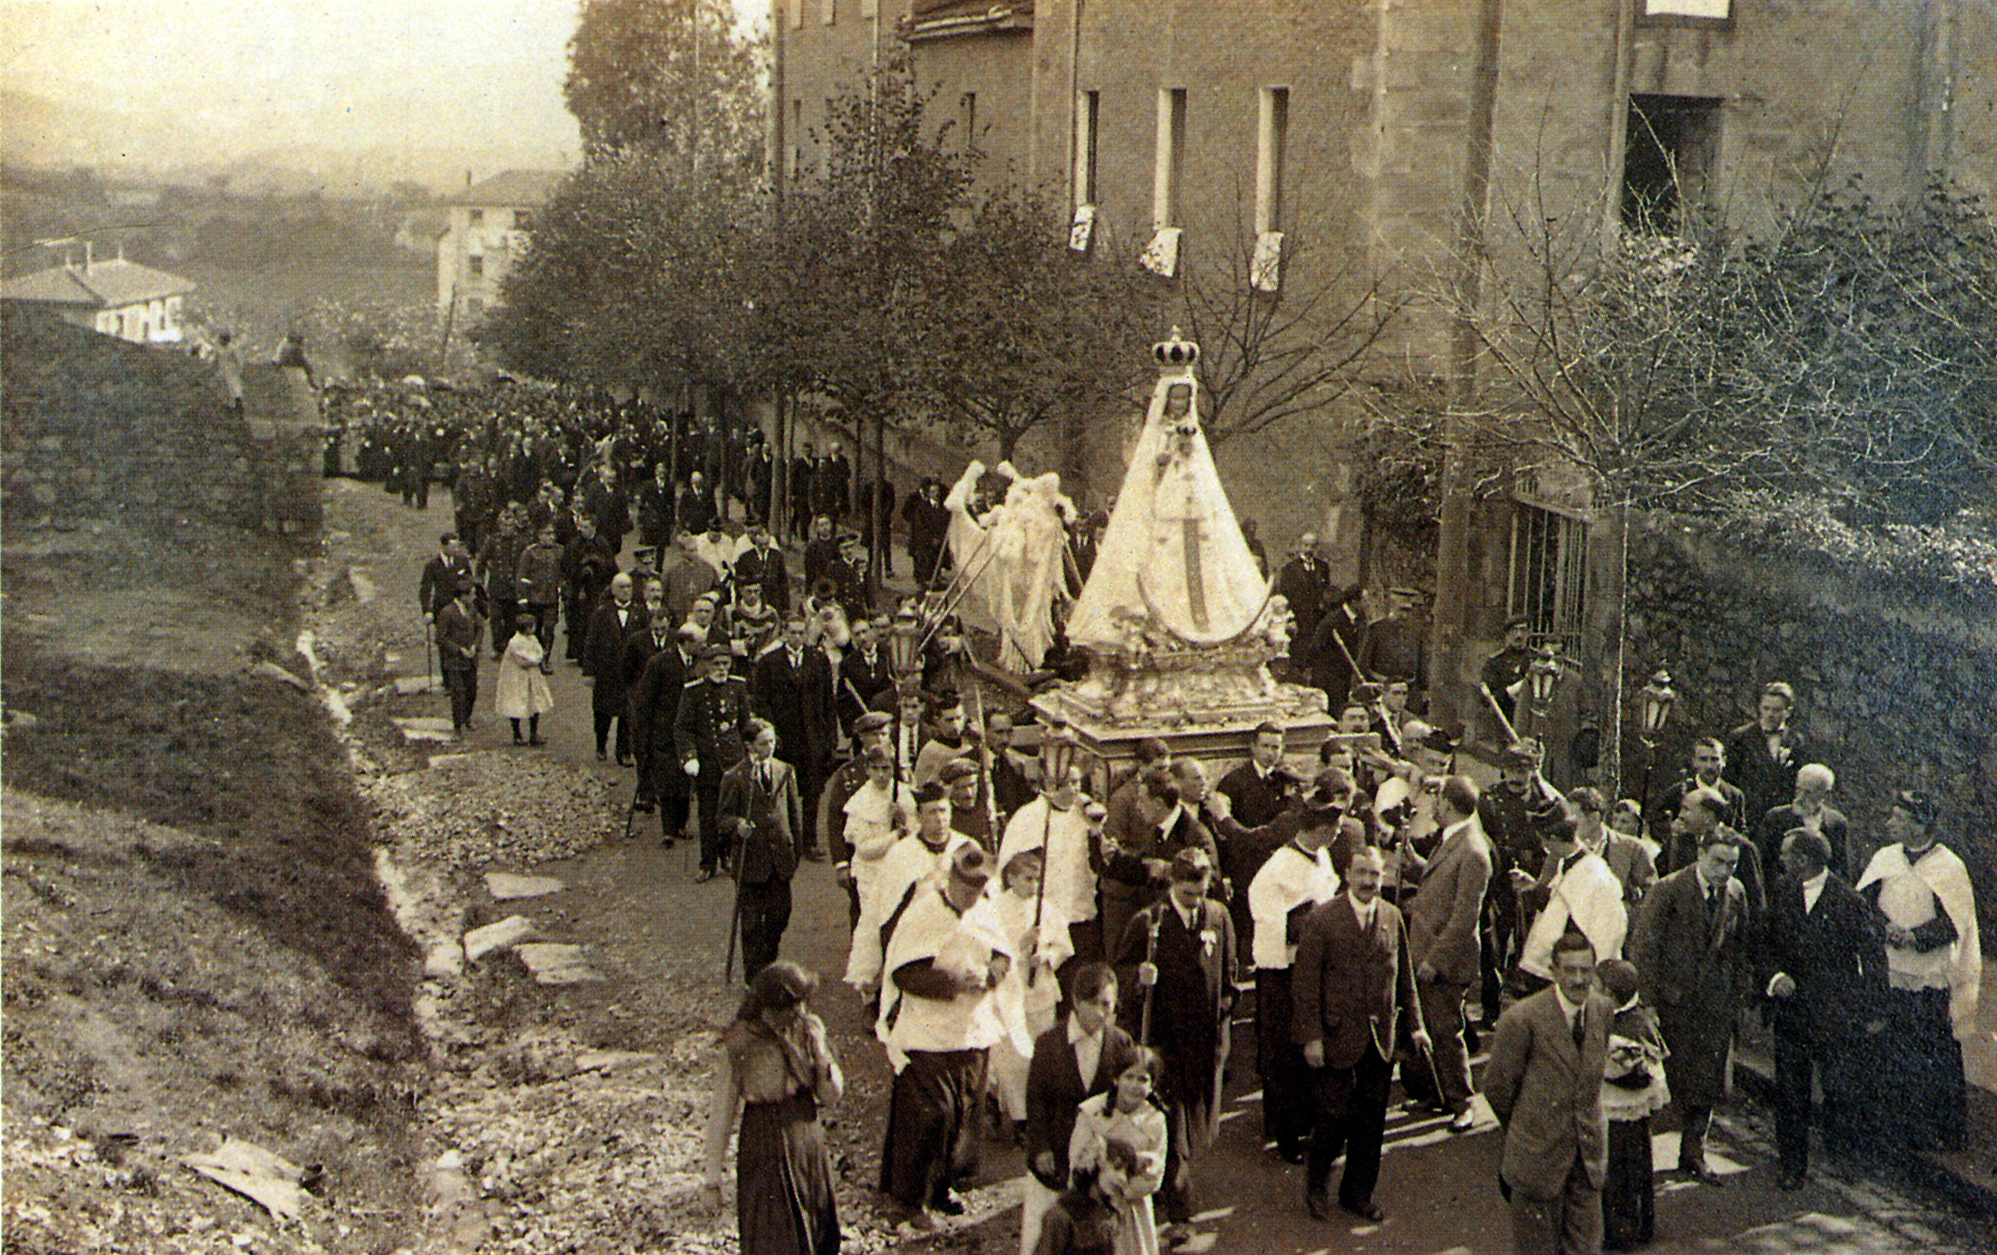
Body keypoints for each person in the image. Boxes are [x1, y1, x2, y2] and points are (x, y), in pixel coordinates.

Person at [879, 843, 1013, 1228]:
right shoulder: (923, 913)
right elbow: (903, 973)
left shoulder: (984, 910)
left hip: (972, 1030)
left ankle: (943, 1185)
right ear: (951, 881)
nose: (970, 900)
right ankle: (908, 1200)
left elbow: (1003, 954)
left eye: (977, 892)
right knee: (931, 1115)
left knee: (963, 1114)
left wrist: (991, 974)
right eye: (965, 891)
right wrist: (952, 982)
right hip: (929, 1033)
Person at [1291, 846, 1426, 1224]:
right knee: (1332, 1118)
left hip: (1379, 1038)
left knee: (1371, 1122)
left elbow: (1404, 979)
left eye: (1375, 874)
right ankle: (1317, 1186)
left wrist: (1416, 1026)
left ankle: (1358, 1195)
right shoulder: (1322, 919)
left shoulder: (1392, 917)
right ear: (1347, 875)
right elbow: (1305, 984)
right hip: (1334, 1036)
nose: (1368, 881)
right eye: (1362, 873)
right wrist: (1311, 1037)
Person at [1114, 848, 1233, 1239]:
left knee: (1196, 1120)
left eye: (1201, 892)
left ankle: (1165, 1182)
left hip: (1205, 1040)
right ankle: (1181, 1214)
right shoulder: (1148, 922)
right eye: (1187, 894)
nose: (1195, 901)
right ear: (1172, 885)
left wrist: (1225, 1016)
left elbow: (1228, 973)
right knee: (1174, 1121)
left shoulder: (1218, 916)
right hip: (1165, 1042)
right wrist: (1138, 976)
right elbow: (1120, 971)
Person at [1855, 789, 1982, 1155]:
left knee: (1928, 1049)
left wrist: (1915, 936)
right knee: (1886, 1045)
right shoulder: (1885, 857)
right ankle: (1884, 1128)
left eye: (1898, 818)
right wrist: (1886, 927)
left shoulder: (1949, 866)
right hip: (1888, 968)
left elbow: (1957, 921)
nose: (1889, 823)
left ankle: (1931, 1131)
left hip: (1927, 972)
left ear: (1919, 824)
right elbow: (1862, 903)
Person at [1763, 826, 1887, 1188]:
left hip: (1835, 1015)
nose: (1781, 859)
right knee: (1790, 1093)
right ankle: (1792, 1166)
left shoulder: (1849, 901)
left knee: (1840, 1091)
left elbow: (1873, 958)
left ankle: (1841, 1157)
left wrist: (1875, 1011)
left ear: (1803, 860)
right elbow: (1764, 943)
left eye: (1786, 854)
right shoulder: (1781, 891)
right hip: (1792, 1013)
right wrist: (1775, 977)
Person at [1628, 829, 1750, 1184]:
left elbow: (1740, 947)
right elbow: (1644, 949)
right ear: (1700, 854)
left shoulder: (1736, 892)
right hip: (1672, 1004)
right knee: (1664, 1082)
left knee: (1705, 1082)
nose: (1724, 871)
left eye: (1731, 864)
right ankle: (1638, 1158)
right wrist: (1647, 1004)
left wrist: (1735, 997)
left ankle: (1693, 1153)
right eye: (1718, 861)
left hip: (1714, 1007)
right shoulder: (1668, 889)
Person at [1483, 932, 1613, 1255]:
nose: (1579, 980)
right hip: (1537, 1163)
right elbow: (1497, 1089)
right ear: (1553, 971)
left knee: (1587, 1249)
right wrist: (1526, 1129)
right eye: (1569, 970)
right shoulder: (1522, 1019)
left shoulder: (1602, 1010)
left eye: (1586, 970)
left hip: (1586, 1162)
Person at [701, 960, 842, 1255]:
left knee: (817, 1230)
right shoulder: (740, 1044)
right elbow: (722, 1112)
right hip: (763, 1144)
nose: (799, 1012)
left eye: (801, 1004)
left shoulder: (807, 1030)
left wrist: (821, 1055)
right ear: (770, 1007)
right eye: (792, 1006)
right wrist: (712, 1180)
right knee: (773, 1236)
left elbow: (831, 1097)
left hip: (806, 1139)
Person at [1245, 793, 1343, 1161]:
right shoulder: (1277, 868)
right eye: (1334, 827)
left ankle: (1309, 1122)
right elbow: (1268, 917)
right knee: (1284, 1054)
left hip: (1314, 968)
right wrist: (1310, 924)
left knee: (1312, 1048)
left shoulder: (1321, 854)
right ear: (1320, 829)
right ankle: (1286, 1134)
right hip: (1283, 973)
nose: (1338, 833)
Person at [1023, 963, 1138, 1255]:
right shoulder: (1049, 1044)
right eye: (1093, 1003)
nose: (1100, 1013)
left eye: (1107, 1004)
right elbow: (1036, 1101)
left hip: (1100, 1164)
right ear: (1075, 1001)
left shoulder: (1120, 1042)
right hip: (1057, 1155)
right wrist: (1041, 1148)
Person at [1399, 776, 1493, 1132]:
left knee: (1445, 1032)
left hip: (1445, 961)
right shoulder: (1452, 838)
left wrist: (1434, 961)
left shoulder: (1473, 851)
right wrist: (1414, 863)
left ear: (1449, 806)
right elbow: (1439, 881)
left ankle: (1462, 1103)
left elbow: (1464, 919)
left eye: (1437, 801)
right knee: (1428, 1027)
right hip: (1427, 950)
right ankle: (1436, 1094)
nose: (1433, 806)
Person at [987, 849, 1069, 1140]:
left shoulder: (1046, 908)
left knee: (1040, 1055)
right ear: (1011, 879)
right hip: (1010, 993)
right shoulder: (995, 909)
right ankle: (1017, 1117)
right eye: (1027, 879)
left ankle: (1039, 1117)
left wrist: (1046, 956)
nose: (1033, 885)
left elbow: (1063, 946)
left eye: (1037, 879)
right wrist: (1021, 946)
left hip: (1041, 992)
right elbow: (989, 953)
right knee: (1014, 1059)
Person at [720, 719, 804, 982]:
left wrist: (795, 850)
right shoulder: (735, 777)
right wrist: (737, 825)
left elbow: (793, 813)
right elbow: (722, 818)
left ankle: (768, 960)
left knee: (780, 915)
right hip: (751, 862)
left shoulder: (784, 770)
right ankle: (754, 977)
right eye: (764, 743)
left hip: (779, 861)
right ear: (749, 746)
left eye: (772, 741)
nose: (770, 746)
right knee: (752, 924)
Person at [999, 758, 1102, 972]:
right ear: (1048, 784)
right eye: (1066, 783)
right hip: (1044, 921)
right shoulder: (1027, 817)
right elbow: (1007, 870)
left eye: (1076, 782)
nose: (1073, 790)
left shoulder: (1085, 815)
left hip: (1080, 917)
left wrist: (1096, 831)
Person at [1067, 1049, 1170, 1255]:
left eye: (1142, 1080)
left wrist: (1125, 1192)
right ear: (1116, 1079)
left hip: (1134, 1208)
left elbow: (1156, 1173)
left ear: (1152, 1085)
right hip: (1094, 1206)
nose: (1134, 1085)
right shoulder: (1092, 1112)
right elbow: (1077, 1163)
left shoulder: (1155, 1120)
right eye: (1128, 1077)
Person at [1595, 959, 1668, 1251]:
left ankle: (1624, 1228)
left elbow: (1635, 1069)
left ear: (1610, 993)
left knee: (1622, 1171)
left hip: (1623, 1106)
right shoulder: (1617, 1018)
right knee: (1623, 1168)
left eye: (1596, 986)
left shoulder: (1630, 1025)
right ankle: (1629, 1223)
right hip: (1622, 1107)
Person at [752, 615, 836, 861]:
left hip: (812, 738)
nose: (797, 638)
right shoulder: (769, 662)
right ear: (784, 634)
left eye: (801, 633)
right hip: (784, 738)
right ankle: (784, 840)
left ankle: (809, 841)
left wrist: (829, 737)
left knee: (812, 792)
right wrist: (771, 734)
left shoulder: (818, 660)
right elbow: (761, 702)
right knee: (782, 791)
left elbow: (828, 701)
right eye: (793, 633)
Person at [1515, 806, 1629, 987]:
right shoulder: (1565, 864)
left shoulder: (1593, 871)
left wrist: (1596, 974)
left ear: (1553, 839)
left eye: (1544, 841)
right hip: (1556, 965)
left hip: (1578, 969)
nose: (1544, 847)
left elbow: (1609, 927)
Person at [677, 644, 756, 883]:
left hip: (734, 761)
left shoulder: (737, 687)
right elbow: (683, 728)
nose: (721, 668)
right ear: (706, 665)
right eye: (716, 664)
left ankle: (729, 856)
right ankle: (708, 862)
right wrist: (689, 756)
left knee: (734, 811)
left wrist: (752, 750)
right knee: (708, 814)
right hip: (708, 762)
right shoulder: (693, 692)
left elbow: (746, 724)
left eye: (725, 664)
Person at [1722, 681, 1807, 835]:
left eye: (1776, 710)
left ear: (1788, 712)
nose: (1770, 714)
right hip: (1749, 818)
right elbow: (1729, 780)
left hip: (1781, 821)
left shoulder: (1795, 740)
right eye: (1766, 708)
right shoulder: (1740, 737)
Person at [1651, 738, 1747, 870]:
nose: (1709, 766)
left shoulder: (1734, 795)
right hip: (1686, 861)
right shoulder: (1678, 792)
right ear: (1694, 762)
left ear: (1724, 761)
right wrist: (1671, 830)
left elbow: (1741, 830)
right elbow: (1656, 825)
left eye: (1714, 760)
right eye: (1703, 759)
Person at [1751, 762, 1850, 883]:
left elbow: (1840, 869)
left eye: (1808, 792)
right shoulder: (1776, 818)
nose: (1800, 798)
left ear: (1826, 794)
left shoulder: (1836, 823)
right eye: (1798, 790)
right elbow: (1759, 863)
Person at [1217, 723, 1290, 830]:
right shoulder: (1234, 781)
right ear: (1253, 747)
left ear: (1282, 750)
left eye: (1275, 748)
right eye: (1264, 746)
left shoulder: (1285, 779)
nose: (1269, 753)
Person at [434, 581, 483, 737]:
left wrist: (475, 646)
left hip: (471, 659)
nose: (474, 597)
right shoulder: (447, 612)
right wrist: (458, 650)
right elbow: (440, 638)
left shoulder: (472, 609)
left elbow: (480, 628)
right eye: (472, 594)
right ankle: (457, 726)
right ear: (463, 596)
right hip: (454, 661)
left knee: (471, 691)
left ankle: (467, 717)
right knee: (457, 694)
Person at [515, 522, 564, 672]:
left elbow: (564, 572)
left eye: (552, 534)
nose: (551, 537)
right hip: (534, 598)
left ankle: (545, 659)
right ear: (539, 535)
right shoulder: (530, 552)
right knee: (534, 631)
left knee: (549, 629)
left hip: (552, 598)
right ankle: (534, 657)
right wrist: (522, 598)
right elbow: (522, 576)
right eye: (547, 534)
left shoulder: (560, 551)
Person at [494, 621, 554, 746]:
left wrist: (536, 659)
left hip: (532, 676)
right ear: (526, 628)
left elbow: (539, 653)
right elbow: (522, 662)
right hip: (516, 678)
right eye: (532, 627)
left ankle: (533, 733)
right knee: (516, 704)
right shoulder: (515, 642)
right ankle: (517, 734)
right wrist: (535, 660)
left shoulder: (533, 639)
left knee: (535, 703)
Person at [1479, 616, 1533, 729]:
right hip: (1504, 720)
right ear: (1507, 634)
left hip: (1529, 721)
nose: (1518, 635)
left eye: (1523, 630)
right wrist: (1508, 692)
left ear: (1529, 633)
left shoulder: (1535, 660)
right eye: (1514, 630)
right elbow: (1485, 698)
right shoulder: (1495, 662)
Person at [419, 532, 473, 620]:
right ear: (444, 546)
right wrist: (427, 611)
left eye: (457, 547)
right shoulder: (432, 565)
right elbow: (425, 589)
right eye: (453, 547)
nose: (456, 550)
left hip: (461, 608)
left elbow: (469, 580)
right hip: (441, 608)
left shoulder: (462, 561)